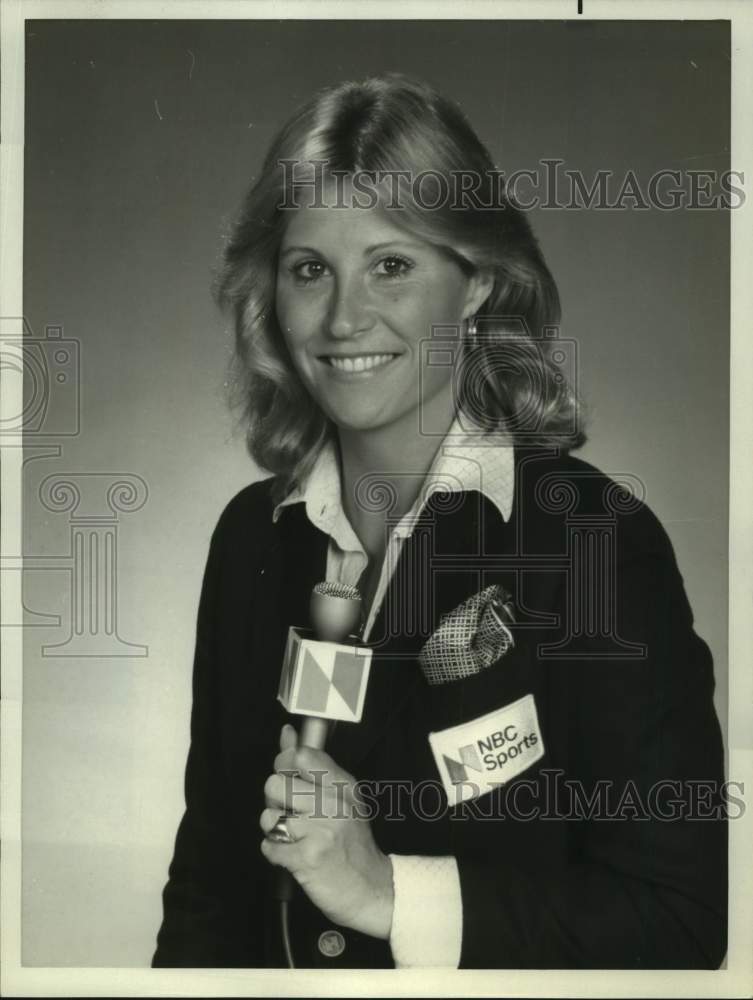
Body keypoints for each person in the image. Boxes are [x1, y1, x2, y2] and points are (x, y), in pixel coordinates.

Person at [152, 74, 727, 970]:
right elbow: (208, 888)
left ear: (475, 284)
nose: (344, 319)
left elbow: (678, 925)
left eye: (392, 264)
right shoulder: (250, 540)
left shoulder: (595, 543)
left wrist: (386, 890)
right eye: (311, 270)